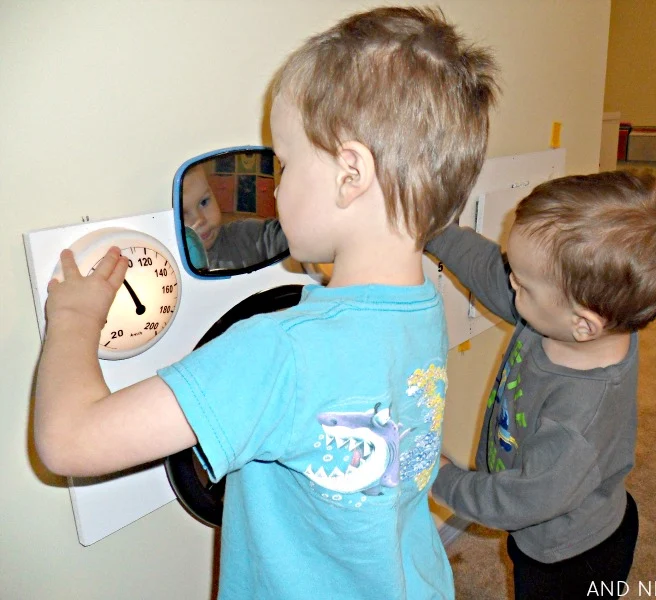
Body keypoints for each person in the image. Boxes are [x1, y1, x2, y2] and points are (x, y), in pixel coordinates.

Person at [34, 6, 498, 600]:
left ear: (349, 174)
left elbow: (70, 439)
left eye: (285, 161)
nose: (276, 184)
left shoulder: (280, 352)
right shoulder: (420, 305)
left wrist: (73, 316)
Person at [427, 170, 656, 600]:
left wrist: (441, 479)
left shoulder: (579, 422)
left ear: (583, 323)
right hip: (563, 510)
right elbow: (492, 275)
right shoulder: (583, 320)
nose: (510, 283)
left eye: (524, 283)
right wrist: (435, 232)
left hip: (567, 554)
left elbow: (519, 500)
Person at [181, 162, 287, 271]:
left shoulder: (246, 236)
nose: (200, 219)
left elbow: (281, 236)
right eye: (183, 214)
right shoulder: (172, 267)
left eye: (204, 202)